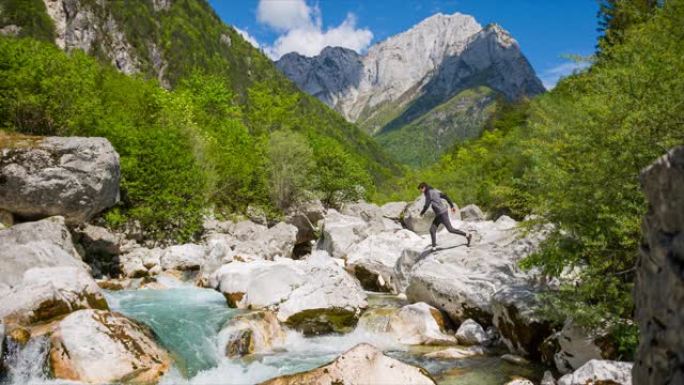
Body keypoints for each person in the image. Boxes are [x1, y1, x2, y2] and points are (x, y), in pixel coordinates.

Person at [418, 182, 471, 250]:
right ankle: (434, 247)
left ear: (424, 188)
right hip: (439, 215)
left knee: (451, 229)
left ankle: (468, 235)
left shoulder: (428, 192)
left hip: (442, 214)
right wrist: (451, 205)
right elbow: (445, 196)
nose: (421, 192)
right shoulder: (435, 191)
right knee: (432, 230)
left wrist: (421, 213)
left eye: (421, 190)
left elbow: (427, 204)